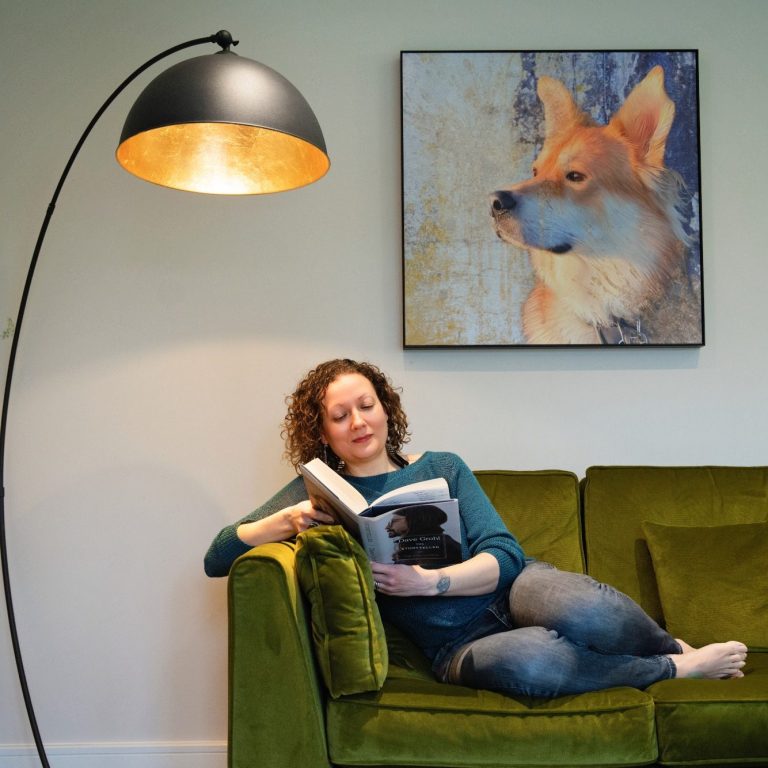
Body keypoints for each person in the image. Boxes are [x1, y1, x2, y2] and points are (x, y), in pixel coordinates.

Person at [204, 358, 748, 697]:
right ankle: (671, 670)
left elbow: (504, 553)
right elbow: (217, 556)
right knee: (535, 658)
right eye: (340, 415)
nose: (358, 422)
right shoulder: (317, 492)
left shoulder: (442, 465)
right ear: (322, 431)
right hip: (454, 646)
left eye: (366, 406)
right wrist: (284, 520)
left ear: (386, 409)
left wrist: (431, 582)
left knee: (585, 608)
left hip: (510, 591)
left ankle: (672, 646)